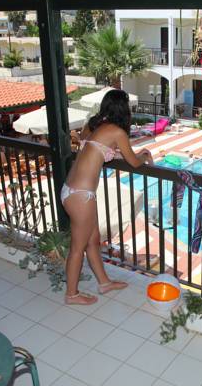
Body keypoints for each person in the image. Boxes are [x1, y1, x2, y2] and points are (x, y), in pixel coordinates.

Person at [61, 89, 153, 305]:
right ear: (123, 109)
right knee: (77, 248)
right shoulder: (117, 132)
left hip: (71, 190)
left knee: (93, 241)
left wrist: (120, 154)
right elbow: (134, 162)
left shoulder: (92, 126)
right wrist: (145, 156)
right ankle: (71, 294)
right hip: (81, 195)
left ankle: (104, 283)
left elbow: (96, 150)